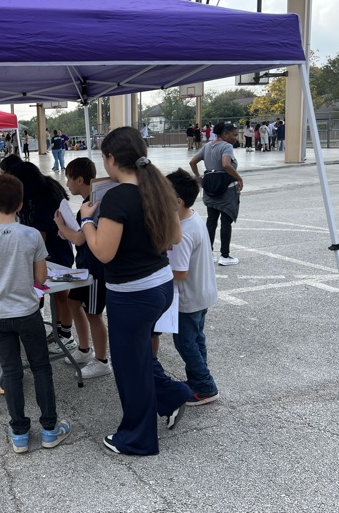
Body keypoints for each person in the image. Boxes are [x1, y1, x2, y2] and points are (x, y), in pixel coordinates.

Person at [79, 127, 190, 456]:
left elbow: (103, 253)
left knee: (129, 368)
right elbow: (176, 236)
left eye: (104, 158)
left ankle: (137, 437)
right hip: (160, 287)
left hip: (132, 295)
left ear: (111, 159)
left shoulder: (116, 197)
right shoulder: (157, 187)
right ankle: (171, 395)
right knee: (139, 355)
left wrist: (87, 220)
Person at [0, 173, 71, 453]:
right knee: (41, 368)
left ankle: (20, 434)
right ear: (21, 204)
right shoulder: (32, 235)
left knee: (11, 371)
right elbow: (40, 277)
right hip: (27, 311)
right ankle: (50, 428)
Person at [54, 157, 112, 379]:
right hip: (84, 267)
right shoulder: (90, 201)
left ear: (80, 179)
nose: (67, 184)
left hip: (96, 270)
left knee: (93, 313)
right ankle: (84, 349)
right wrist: (67, 232)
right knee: (72, 301)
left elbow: (80, 239)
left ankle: (101, 360)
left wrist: (61, 226)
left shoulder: (94, 204)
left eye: (69, 179)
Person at [165, 169, 219, 406]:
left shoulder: (183, 233)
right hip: (203, 293)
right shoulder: (193, 218)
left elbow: (180, 272)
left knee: (185, 343)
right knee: (196, 339)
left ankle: (206, 386)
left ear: (177, 202)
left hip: (188, 298)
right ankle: (197, 380)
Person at [8, 162, 74, 351]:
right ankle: (58, 331)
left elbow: (41, 234)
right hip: (50, 248)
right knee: (48, 292)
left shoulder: (42, 196)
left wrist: (31, 258)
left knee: (61, 293)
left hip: (55, 249)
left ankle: (66, 336)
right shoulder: (40, 189)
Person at [189, 122, 244, 266]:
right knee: (226, 222)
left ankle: (208, 253)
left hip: (210, 188)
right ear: (225, 134)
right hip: (226, 189)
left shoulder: (207, 146)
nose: (235, 138)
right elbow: (226, 164)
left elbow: (192, 162)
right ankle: (225, 255)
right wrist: (239, 178)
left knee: (211, 221)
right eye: (233, 135)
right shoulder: (226, 146)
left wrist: (198, 177)